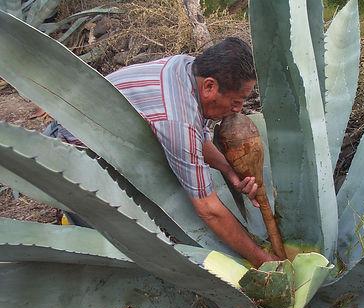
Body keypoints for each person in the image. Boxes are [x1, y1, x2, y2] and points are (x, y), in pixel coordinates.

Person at [47, 37, 278, 267]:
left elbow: (195, 135)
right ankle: (75, 220)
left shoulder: (188, 67)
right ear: (210, 86)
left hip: (97, 132)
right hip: (71, 155)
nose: (238, 110)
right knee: (116, 246)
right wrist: (262, 259)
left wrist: (227, 169)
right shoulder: (177, 121)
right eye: (237, 101)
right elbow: (209, 210)